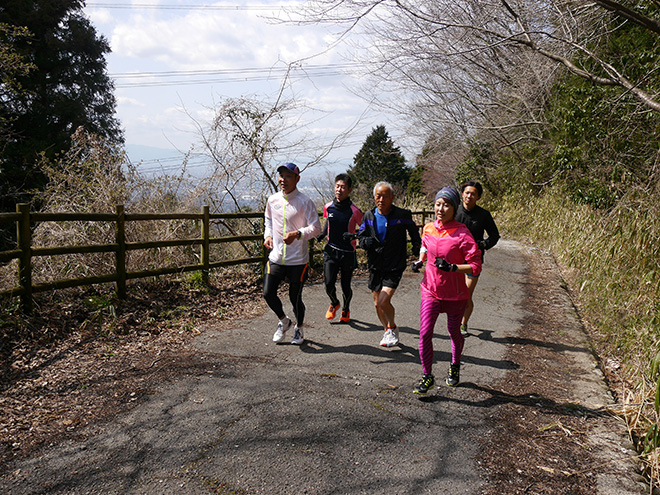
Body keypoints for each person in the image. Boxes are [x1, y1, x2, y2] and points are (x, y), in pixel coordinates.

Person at [411, 187, 482, 394]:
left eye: (446, 204)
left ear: (454, 207)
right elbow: (425, 246)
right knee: (424, 333)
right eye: (438, 204)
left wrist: (453, 268)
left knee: (454, 333)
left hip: (455, 294)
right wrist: (419, 260)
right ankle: (427, 376)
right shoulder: (428, 228)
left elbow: (476, 266)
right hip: (430, 290)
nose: (441, 209)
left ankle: (455, 365)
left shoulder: (462, 233)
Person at [356, 182, 421, 347]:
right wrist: (366, 242)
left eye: (385, 195)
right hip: (375, 265)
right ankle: (388, 330)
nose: (381, 199)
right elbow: (361, 237)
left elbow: (414, 233)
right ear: (374, 197)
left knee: (384, 301)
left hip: (394, 264)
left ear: (392, 197)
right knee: (377, 303)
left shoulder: (402, 215)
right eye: (378, 195)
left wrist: (416, 249)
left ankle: (391, 327)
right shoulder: (368, 216)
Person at [263, 162, 321, 345]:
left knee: (295, 297)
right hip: (276, 257)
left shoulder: (305, 202)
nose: (283, 180)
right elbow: (268, 221)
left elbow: (316, 228)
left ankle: (299, 328)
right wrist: (268, 235)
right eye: (281, 176)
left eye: (288, 176)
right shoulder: (272, 200)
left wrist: (298, 234)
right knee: (267, 292)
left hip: (298, 260)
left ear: (297, 179)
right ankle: (284, 321)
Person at [454, 180, 500, 336]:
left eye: (473, 194)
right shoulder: (454, 211)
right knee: (454, 293)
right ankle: (454, 319)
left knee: (466, 294)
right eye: (467, 193)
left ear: (478, 197)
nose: (469, 196)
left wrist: (483, 245)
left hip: (473, 260)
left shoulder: (483, 215)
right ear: (462, 194)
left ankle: (463, 324)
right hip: (454, 259)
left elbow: (495, 235)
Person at [316, 173, 363, 323]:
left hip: (348, 253)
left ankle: (346, 308)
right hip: (331, 250)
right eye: (337, 186)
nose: (339, 190)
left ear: (349, 190)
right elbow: (327, 224)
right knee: (328, 283)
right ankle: (335, 303)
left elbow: (365, 229)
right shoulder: (328, 207)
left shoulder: (354, 211)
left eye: (343, 187)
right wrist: (322, 235)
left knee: (345, 285)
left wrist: (354, 236)